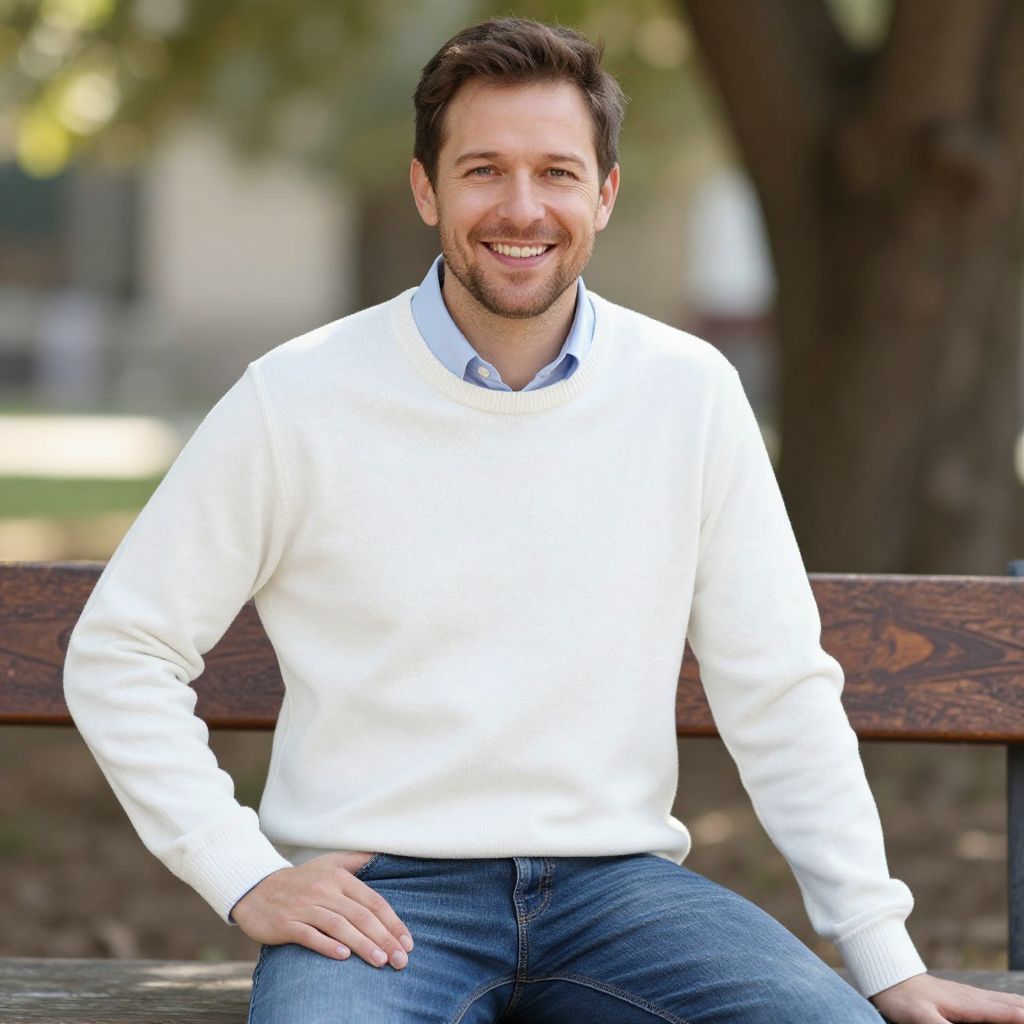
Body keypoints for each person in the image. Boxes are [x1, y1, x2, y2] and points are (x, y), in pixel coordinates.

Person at [63, 16, 1024, 1024]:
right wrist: (243, 872)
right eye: (483, 170)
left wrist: (883, 956)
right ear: (426, 187)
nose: (521, 208)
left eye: (557, 172)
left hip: (622, 894)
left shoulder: (686, 392)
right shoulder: (296, 399)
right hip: (386, 901)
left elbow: (777, 688)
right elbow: (123, 650)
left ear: (603, 195)